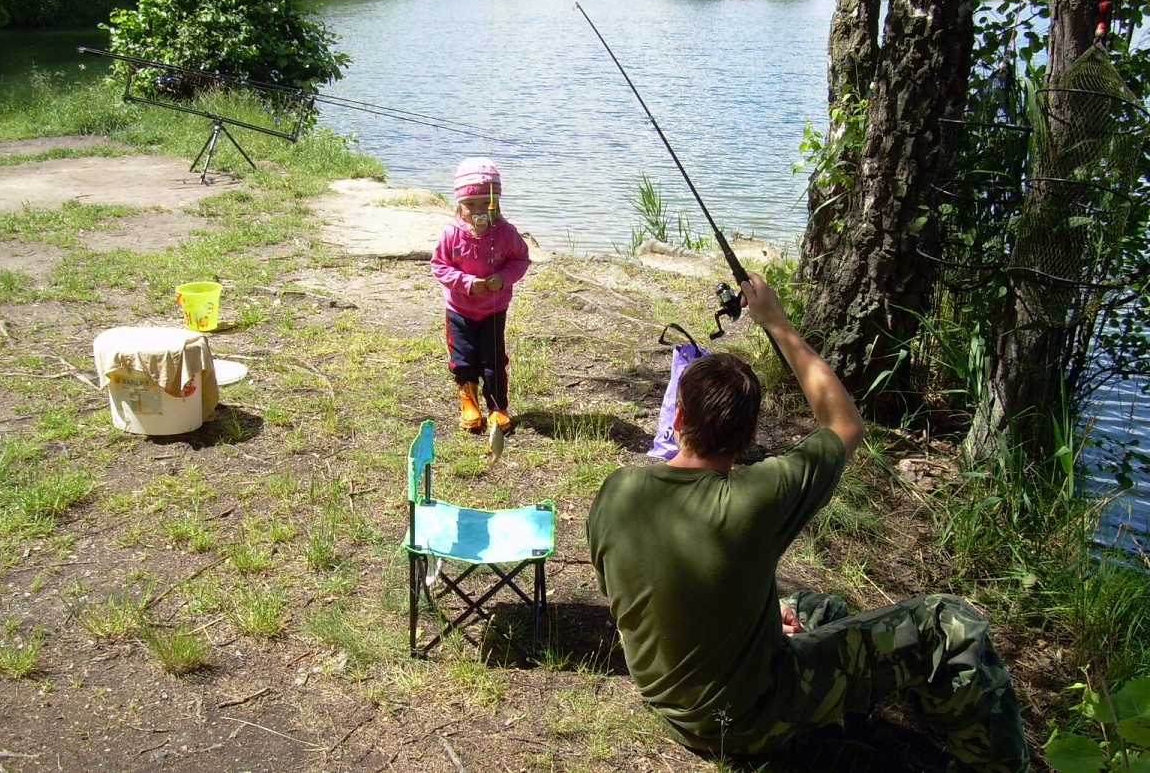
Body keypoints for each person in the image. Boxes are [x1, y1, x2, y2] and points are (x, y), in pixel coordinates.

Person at [587, 272, 1029, 772]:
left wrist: (752, 620)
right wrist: (776, 321)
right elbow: (844, 424)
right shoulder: (756, 496)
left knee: (818, 607)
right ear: (748, 436)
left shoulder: (617, 491)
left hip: (673, 710)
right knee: (947, 622)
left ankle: (849, 720)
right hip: (747, 721)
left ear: (678, 419)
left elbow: (642, 595)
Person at [431, 157, 530, 434]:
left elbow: (520, 259)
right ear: (460, 205)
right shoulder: (451, 234)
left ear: (496, 203)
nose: (478, 210)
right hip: (459, 309)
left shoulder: (506, 233)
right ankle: (469, 404)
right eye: (470, 204)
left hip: (493, 309)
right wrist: (464, 282)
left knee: (493, 360)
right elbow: (439, 265)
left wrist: (504, 277)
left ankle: (497, 407)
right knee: (463, 359)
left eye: (486, 203)